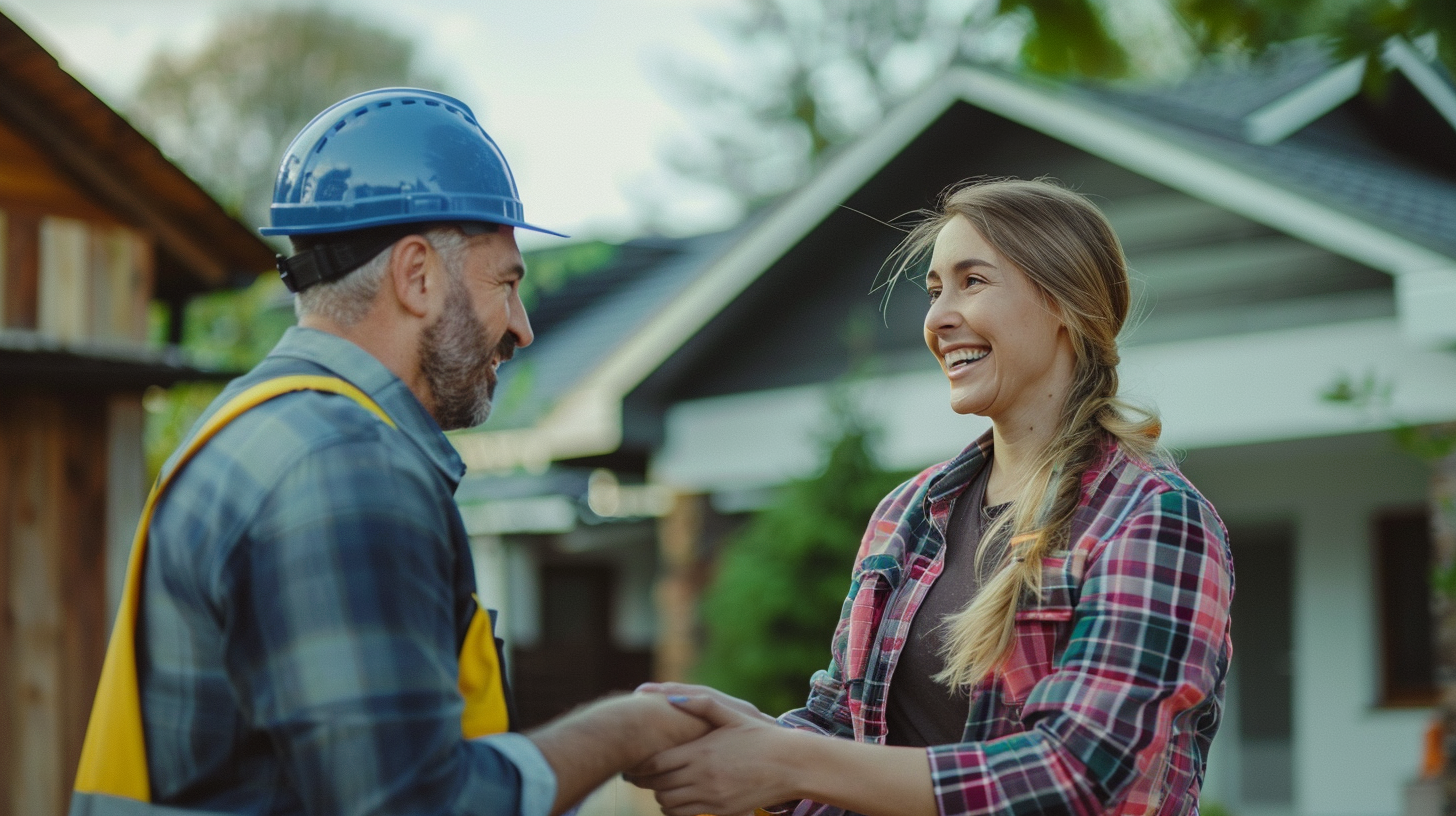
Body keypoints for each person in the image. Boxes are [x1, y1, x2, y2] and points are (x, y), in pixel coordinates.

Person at [71, 88, 709, 816]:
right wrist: (627, 728)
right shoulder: (341, 465)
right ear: (416, 276)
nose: (523, 328)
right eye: (506, 283)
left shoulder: (268, 430)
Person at [629, 178, 1235, 816]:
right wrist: (748, 741)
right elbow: (845, 728)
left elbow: (1079, 776)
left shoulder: (1153, 518)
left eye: (972, 282)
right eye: (935, 289)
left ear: (1065, 303)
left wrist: (790, 762)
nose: (939, 318)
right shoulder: (908, 514)